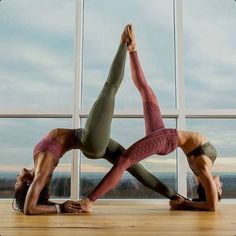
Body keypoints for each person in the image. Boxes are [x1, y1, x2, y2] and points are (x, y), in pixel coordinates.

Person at [13, 25, 180, 215]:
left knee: (132, 165)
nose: (17, 177)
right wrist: (59, 208)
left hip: (86, 140)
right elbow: (29, 208)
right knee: (109, 88)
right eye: (18, 181)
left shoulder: (39, 166)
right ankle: (124, 44)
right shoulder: (41, 172)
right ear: (27, 183)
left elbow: (31, 205)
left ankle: (174, 196)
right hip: (89, 140)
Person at [78, 24, 223, 212]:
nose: (221, 184)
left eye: (219, 188)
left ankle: (88, 201)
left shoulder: (203, 167)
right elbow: (210, 201)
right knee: (146, 91)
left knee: (124, 161)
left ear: (209, 188)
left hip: (168, 139)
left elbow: (211, 206)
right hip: (166, 136)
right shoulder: (204, 169)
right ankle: (133, 49)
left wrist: (186, 203)